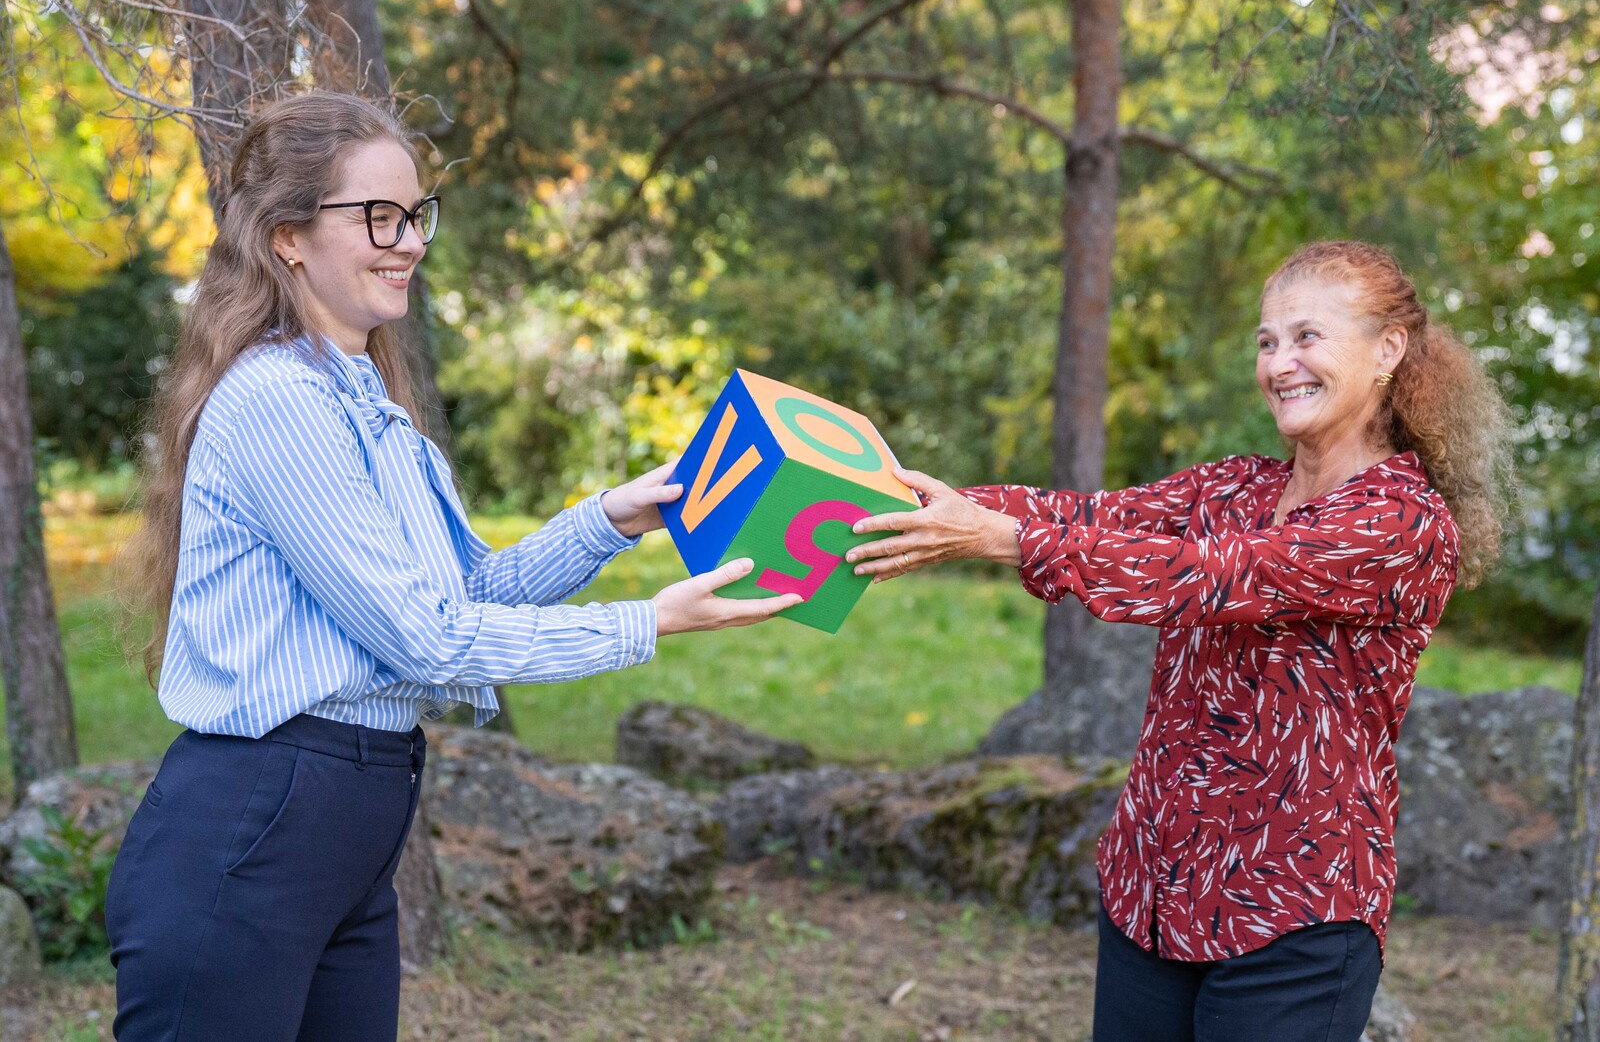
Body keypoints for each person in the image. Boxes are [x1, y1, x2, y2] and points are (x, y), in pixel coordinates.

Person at [106, 91, 800, 1042]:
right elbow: (428, 640)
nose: (409, 242)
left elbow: (461, 597)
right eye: (376, 216)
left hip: (353, 818)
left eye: (416, 214)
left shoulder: (368, 404)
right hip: (256, 825)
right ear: (287, 238)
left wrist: (610, 521)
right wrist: (650, 623)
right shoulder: (278, 402)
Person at [847, 241, 1514, 1042]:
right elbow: (1092, 518)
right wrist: (915, 501)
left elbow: (1207, 577)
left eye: (1307, 337)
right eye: (1266, 342)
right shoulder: (1238, 485)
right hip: (1152, 895)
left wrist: (1002, 541)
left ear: (1388, 351)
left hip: (1293, 916)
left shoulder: (1401, 522)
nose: (1279, 363)